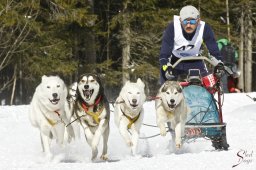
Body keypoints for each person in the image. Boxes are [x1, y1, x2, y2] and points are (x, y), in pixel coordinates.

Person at [159, 5, 223, 84]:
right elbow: (164, 54)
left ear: (198, 21)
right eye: (185, 21)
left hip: (195, 60)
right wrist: (166, 66)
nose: (188, 25)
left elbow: (214, 50)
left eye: (192, 21)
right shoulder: (172, 27)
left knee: (209, 84)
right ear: (180, 20)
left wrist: (219, 63)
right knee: (167, 86)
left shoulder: (204, 28)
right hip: (174, 61)